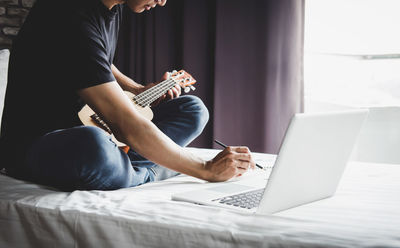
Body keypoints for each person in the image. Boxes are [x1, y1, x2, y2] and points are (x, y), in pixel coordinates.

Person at [0, 0, 255, 191]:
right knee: (94, 145)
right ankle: (148, 172)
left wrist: (135, 88)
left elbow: (95, 59)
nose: (164, 1)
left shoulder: (112, 6)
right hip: (37, 146)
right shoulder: (66, 15)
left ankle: (130, 166)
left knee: (192, 109)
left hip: (88, 123)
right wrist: (204, 169)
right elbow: (126, 127)